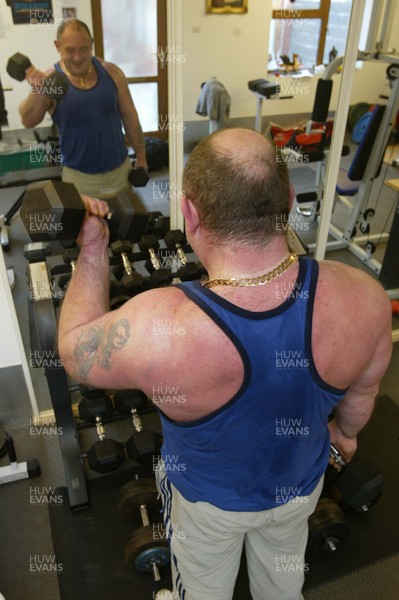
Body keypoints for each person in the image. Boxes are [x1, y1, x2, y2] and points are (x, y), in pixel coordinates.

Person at [57, 128, 392, 600]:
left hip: (206, 504)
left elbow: (73, 351)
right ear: (290, 197)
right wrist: (346, 436)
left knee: (203, 589)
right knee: (282, 582)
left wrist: (93, 249)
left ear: (189, 212)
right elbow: (361, 397)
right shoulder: (366, 298)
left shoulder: (158, 325)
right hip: (298, 489)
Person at [19, 18, 147, 197]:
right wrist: (37, 89)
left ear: (92, 44)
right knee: (86, 225)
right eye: (70, 50)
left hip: (120, 172)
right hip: (79, 179)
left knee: (123, 224)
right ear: (57, 46)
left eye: (84, 49)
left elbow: (130, 117)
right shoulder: (50, 81)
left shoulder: (111, 73)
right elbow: (28, 120)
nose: (78, 57)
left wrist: (141, 158)